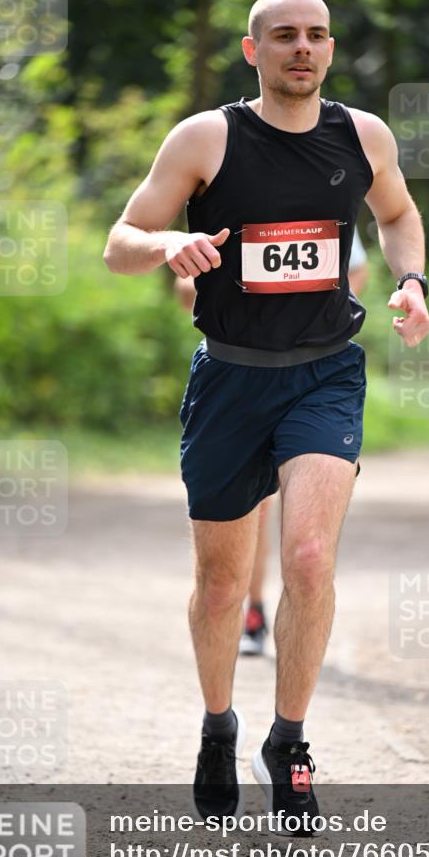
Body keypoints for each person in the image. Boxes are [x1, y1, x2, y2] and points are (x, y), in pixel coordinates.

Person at [104, 0, 429, 833]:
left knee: (311, 556)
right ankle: (220, 727)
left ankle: (289, 743)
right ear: (253, 51)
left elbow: (396, 213)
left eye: (316, 36)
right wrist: (166, 242)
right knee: (219, 588)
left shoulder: (362, 136)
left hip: (325, 373)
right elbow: (119, 242)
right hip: (229, 378)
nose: (302, 48)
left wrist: (411, 281)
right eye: (283, 35)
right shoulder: (207, 137)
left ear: (330, 50)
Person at [173, 229, 370, 657]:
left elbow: (357, 269)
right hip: (240, 371)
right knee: (254, 507)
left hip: (312, 372)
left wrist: (314, 317)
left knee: (306, 529)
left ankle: (294, 609)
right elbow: (185, 287)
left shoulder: (328, 189)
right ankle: (255, 609)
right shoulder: (231, 195)